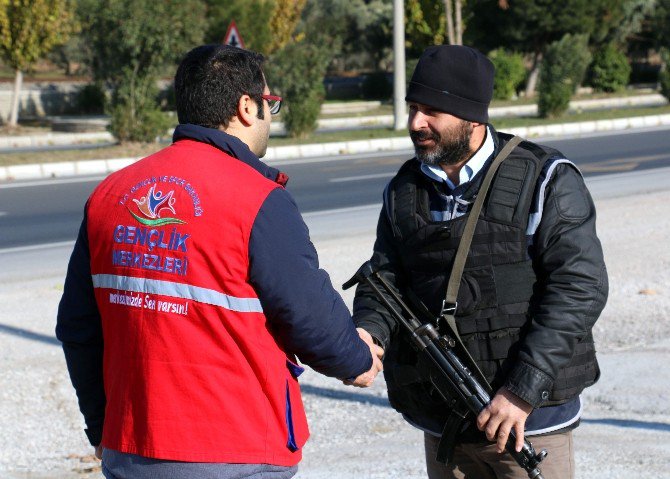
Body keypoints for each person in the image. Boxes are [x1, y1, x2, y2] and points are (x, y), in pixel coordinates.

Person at [56, 44, 383, 479]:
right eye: (271, 104)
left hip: (132, 449)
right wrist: (357, 361)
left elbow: (78, 328)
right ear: (247, 107)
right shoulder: (257, 199)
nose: (271, 114)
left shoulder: (110, 194)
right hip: (236, 449)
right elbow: (307, 312)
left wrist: (102, 426)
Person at [352, 45, 608, 479]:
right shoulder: (404, 189)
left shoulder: (546, 177)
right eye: (414, 108)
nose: (416, 123)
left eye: (433, 111)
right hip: (443, 423)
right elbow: (384, 279)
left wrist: (520, 393)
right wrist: (368, 332)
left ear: (473, 117)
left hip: (528, 423)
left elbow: (579, 289)